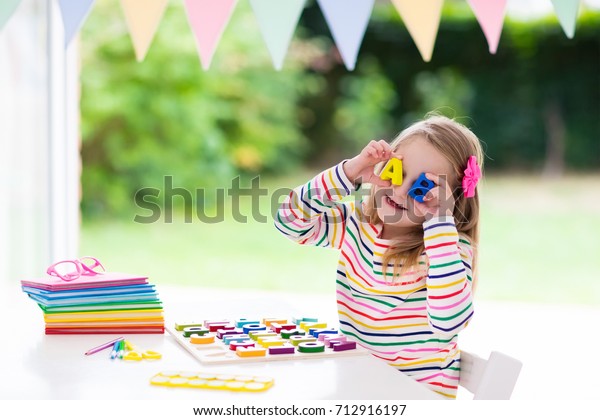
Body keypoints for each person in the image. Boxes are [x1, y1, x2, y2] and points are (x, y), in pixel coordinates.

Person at [274, 114, 484, 399]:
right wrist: (348, 173)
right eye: (396, 171)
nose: (400, 191)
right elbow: (288, 221)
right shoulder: (358, 224)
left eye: (424, 188)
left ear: (450, 201)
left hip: (417, 401)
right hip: (357, 388)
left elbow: (450, 323)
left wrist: (439, 222)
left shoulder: (449, 248)